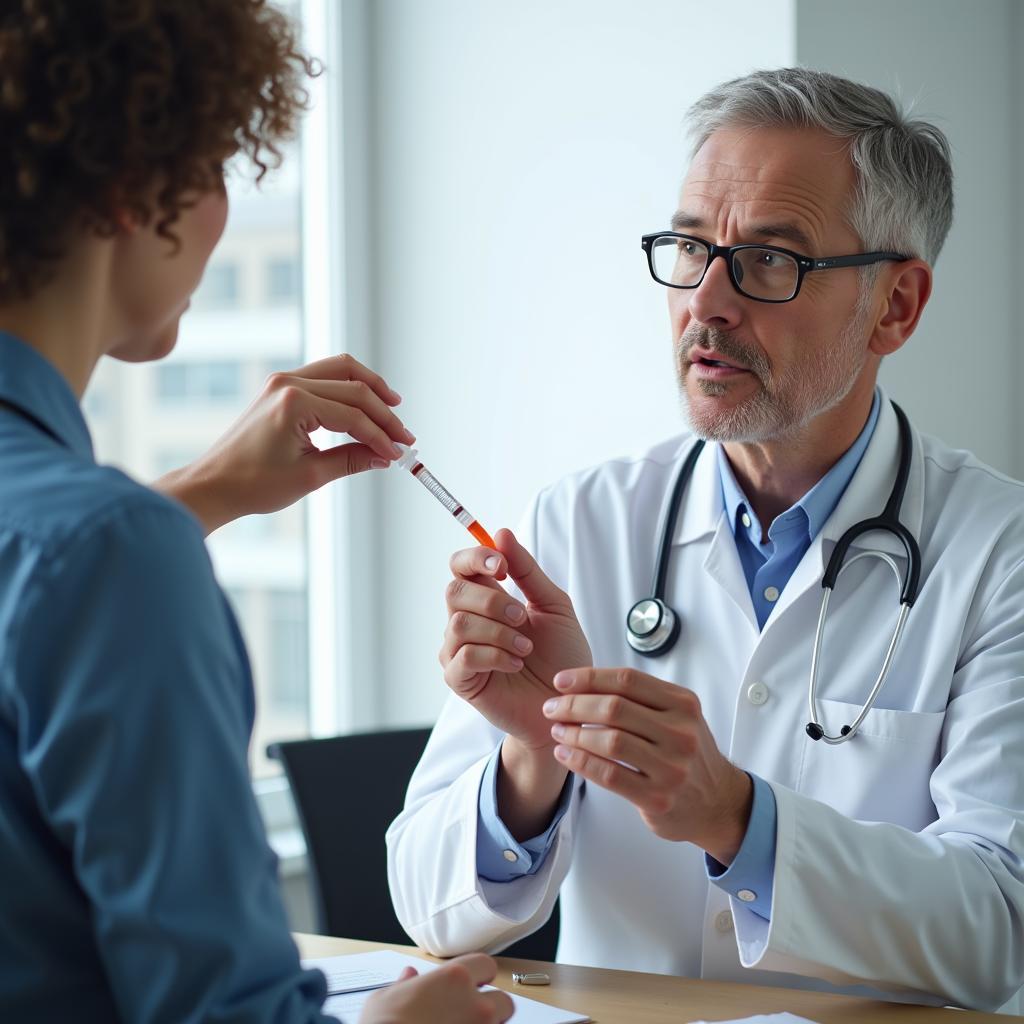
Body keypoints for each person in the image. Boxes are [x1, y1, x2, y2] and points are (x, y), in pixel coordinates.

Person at [387, 67, 1024, 1013]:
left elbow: (999, 930)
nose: (706, 303)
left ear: (895, 306)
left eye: (772, 260)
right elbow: (427, 910)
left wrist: (739, 820)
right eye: (691, 247)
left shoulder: (999, 554)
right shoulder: (583, 522)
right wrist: (532, 761)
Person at [0, 3, 514, 1022]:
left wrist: (203, 493)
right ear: (136, 190)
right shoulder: (109, 553)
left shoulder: (87, 544)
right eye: (220, 162)